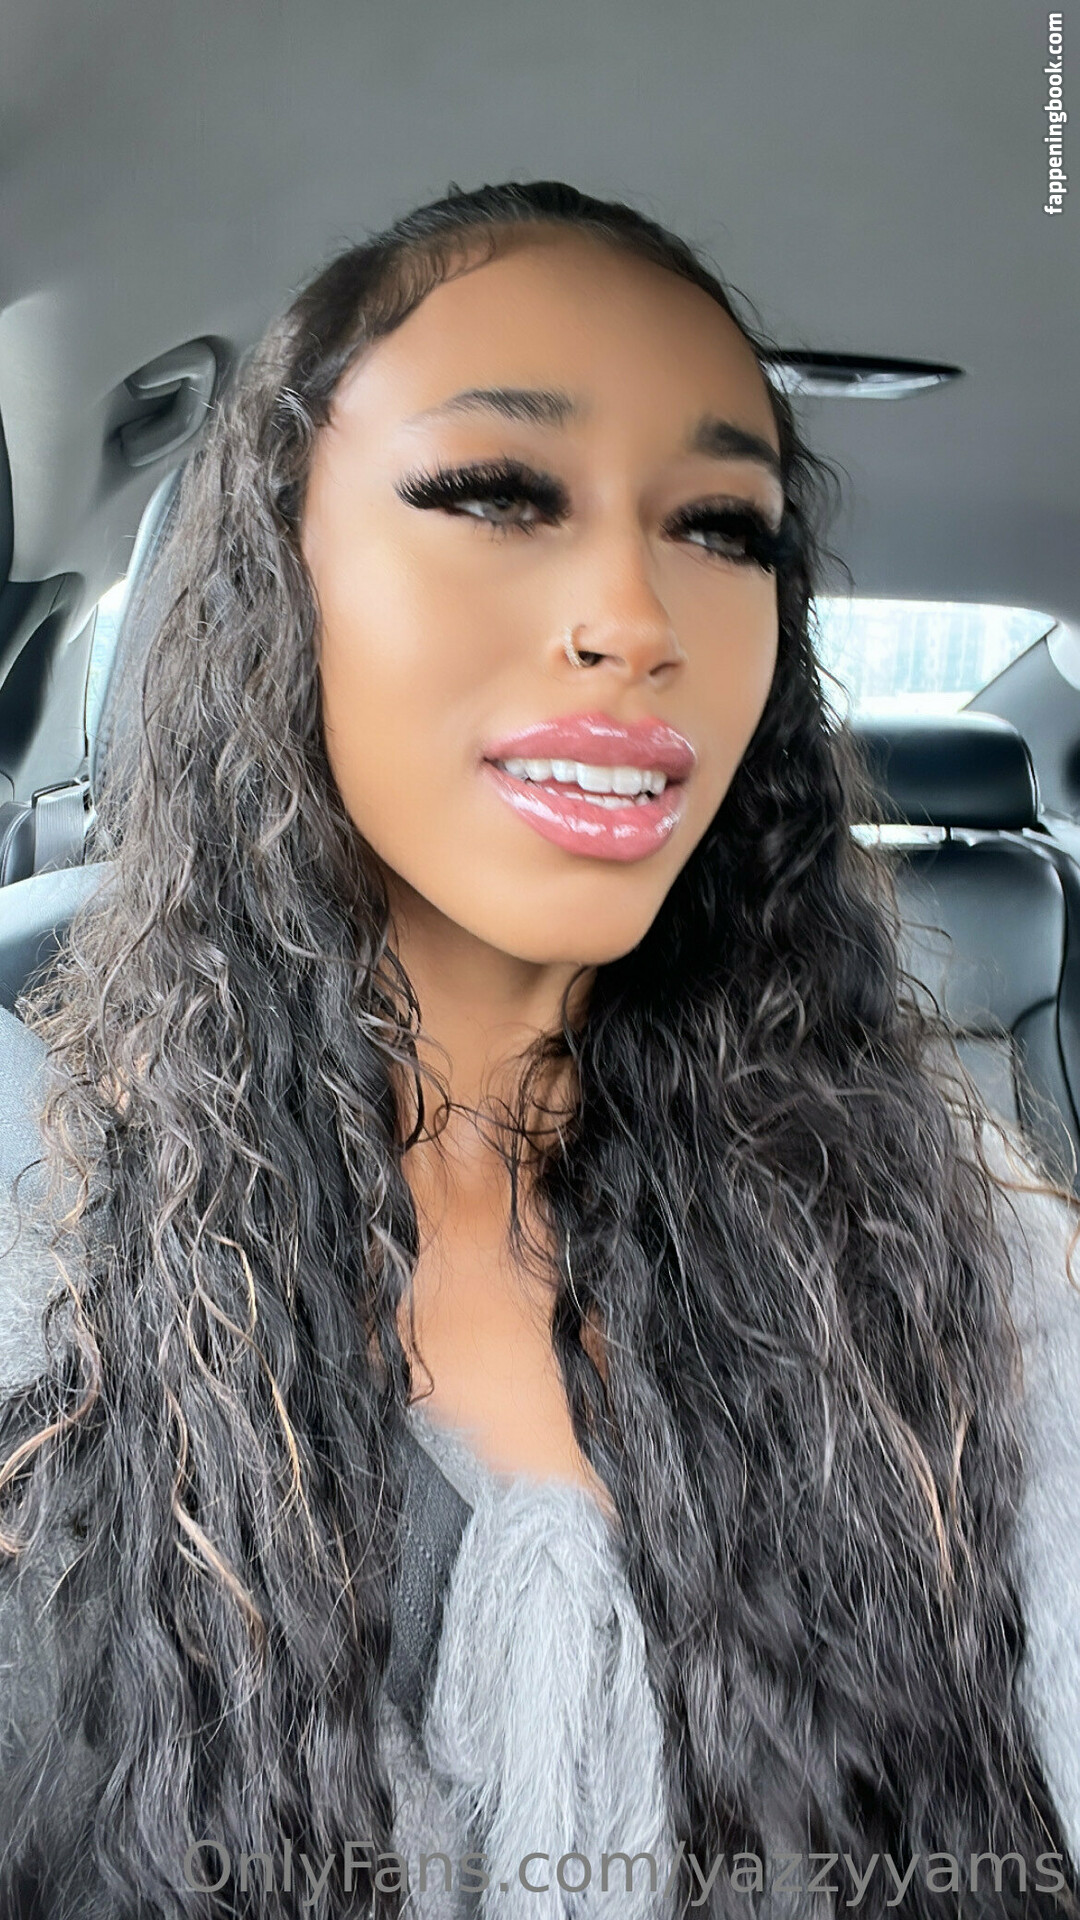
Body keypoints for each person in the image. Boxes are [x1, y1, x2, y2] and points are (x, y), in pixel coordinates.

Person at [0, 177, 1079, 1920]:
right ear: (279, 571)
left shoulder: (969, 1265)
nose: (639, 616)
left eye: (724, 527)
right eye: (496, 492)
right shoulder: (40, 1272)